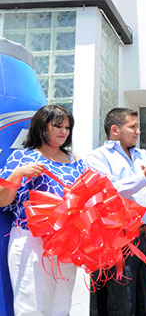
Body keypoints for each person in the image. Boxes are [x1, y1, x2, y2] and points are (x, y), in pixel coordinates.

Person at [0, 105, 86, 315]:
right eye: (57, 126)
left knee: (61, 304)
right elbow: (3, 200)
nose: (63, 131)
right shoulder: (22, 158)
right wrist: (18, 174)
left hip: (67, 241)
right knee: (31, 305)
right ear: (41, 127)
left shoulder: (75, 160)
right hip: (32, 239)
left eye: (67, 127)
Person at [86, 107, 146, 315]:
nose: (138, 131)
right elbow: (112, 190)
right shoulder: (97, 157)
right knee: (122, 305)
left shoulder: (145, 155)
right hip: (119, 239)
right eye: (133, 127)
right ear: (115, 129)